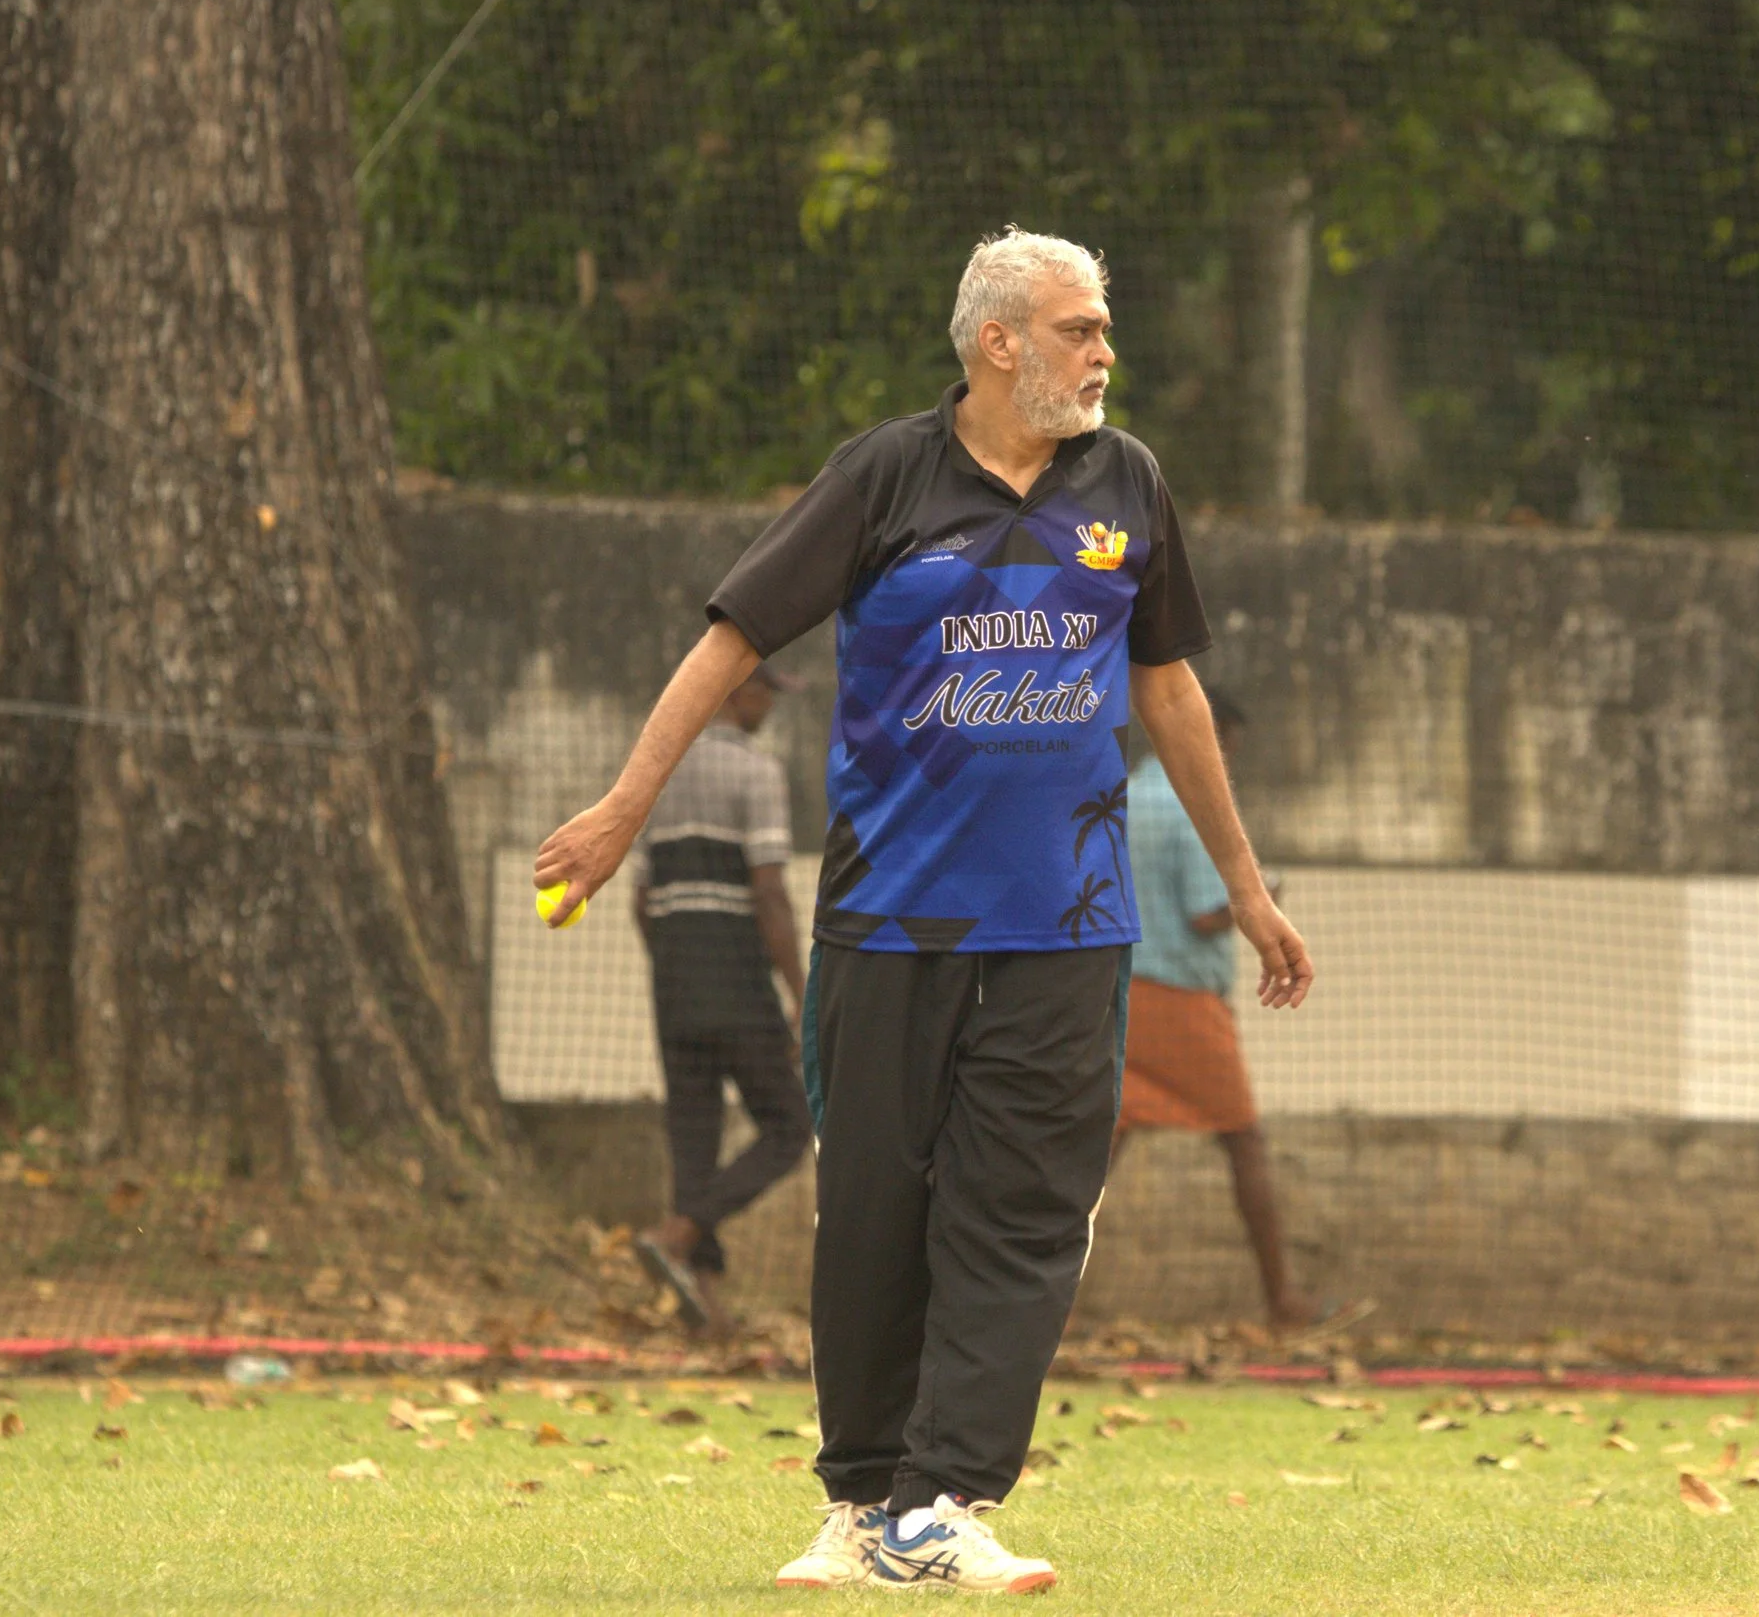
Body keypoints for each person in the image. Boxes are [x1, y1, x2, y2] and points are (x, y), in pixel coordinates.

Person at [533, 226, 1314, 1597]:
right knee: (878, 1209)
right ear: (997, 341)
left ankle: (947, 1497)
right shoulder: (882, 476)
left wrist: (1247, 888)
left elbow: (1172, 690)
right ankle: (860, 1501)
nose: (1103, 351)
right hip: (886, 920)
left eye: (1103, 326)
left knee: (1022, 1213)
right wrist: (620, 809)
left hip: (1070, 929)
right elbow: (730, 642)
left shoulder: (1126, 482)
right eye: (1079, 327)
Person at [1115, 688, 1319, 1330]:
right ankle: (1284, 1301)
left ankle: (1034, 1305)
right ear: (1218, 735)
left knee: (1095, 1149)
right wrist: (1269, 892)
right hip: (1179, 996)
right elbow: (1208, 914)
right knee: (1243, 1139)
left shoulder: (1123, 793)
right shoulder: (1191, 803)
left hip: (1118, 991)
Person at [627, 660, 812, 1340]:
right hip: (737, 981)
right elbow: (768, 891)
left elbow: (642, 902)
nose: (771, 704)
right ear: (737, 689)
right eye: (767, 689)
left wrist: (677, 963)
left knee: (694, 1140)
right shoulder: (756, 773)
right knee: (789, 1126)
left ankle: (704, 1308)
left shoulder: (661, 766)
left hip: (674, 985)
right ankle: (677, 1234)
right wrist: (801, 989)